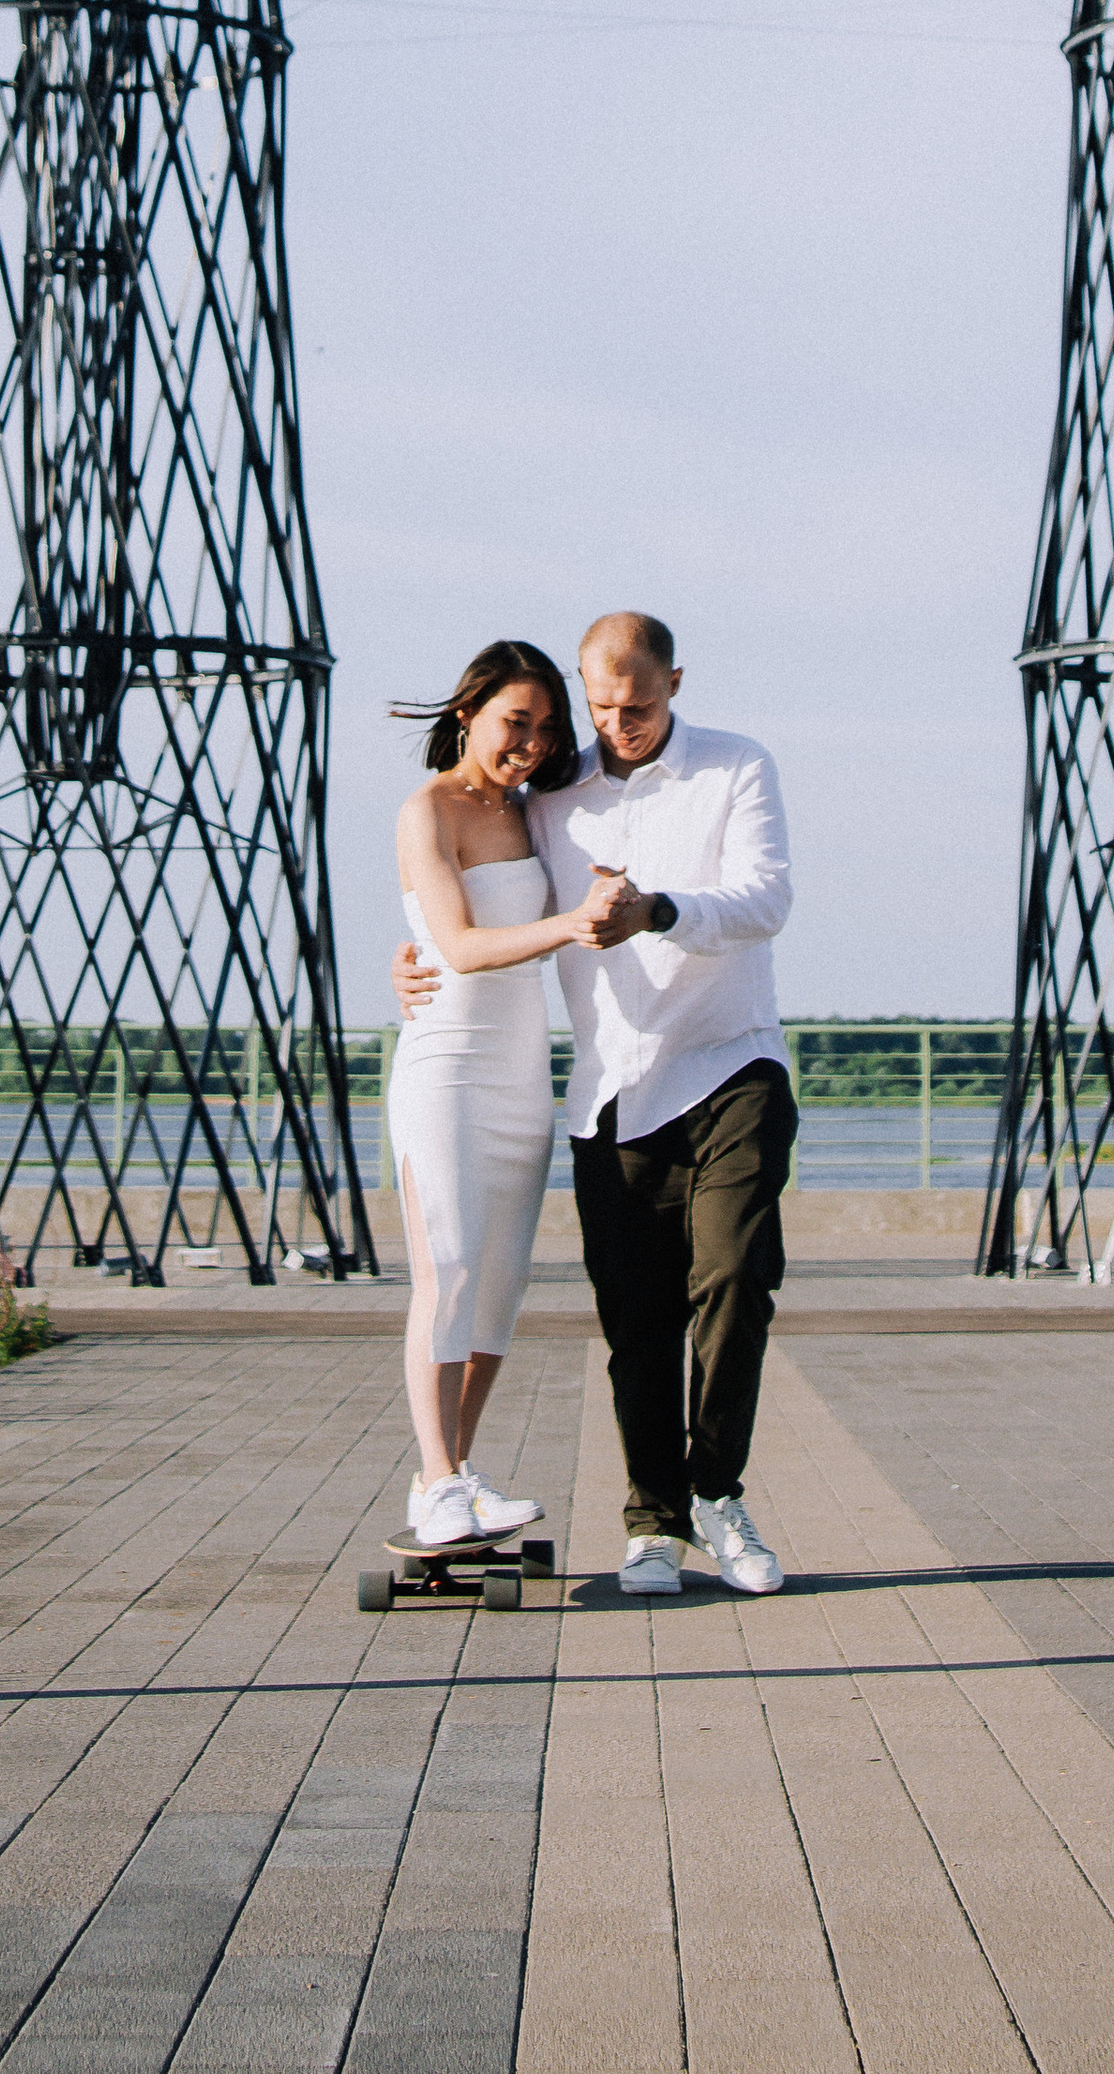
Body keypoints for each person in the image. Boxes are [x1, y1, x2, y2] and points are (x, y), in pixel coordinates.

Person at [396, 611, 795, 1600]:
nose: (616, 725)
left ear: (676, 683)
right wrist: (403, 963)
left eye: (639, 705)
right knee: (626, 1321)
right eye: (601, 707)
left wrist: (654, 910)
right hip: (608, 1085)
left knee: (733, 1279)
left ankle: (716, 1495)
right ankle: (643, 1519)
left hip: (729, 1062)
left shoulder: (735, 767)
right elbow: (455, 910)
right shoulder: (549, 796)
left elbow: (765, 901)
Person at [387, 640, 628, 1554]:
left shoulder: (535, 812)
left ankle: (449, 1478)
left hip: (522, 1069)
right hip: (446, 1064)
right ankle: (441, 1477)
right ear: (467, 713)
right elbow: (453, 945)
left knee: (499, 1289)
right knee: (443, 1268)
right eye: (512, 724)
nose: (529, 744)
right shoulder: (428, 809)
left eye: (543, 728)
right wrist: (568, 924)